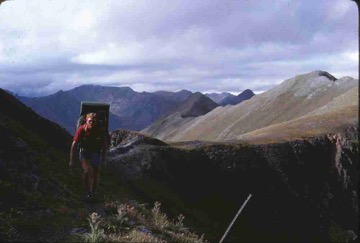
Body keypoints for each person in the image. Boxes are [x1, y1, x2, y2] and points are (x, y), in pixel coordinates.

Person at [69, 112, 108, 199]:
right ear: (86, 121)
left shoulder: (100, 130)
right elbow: (74, 144)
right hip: (84, 152)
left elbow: (105, 144)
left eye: (93, 121)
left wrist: (104, 157)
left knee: (95, 173)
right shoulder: (82, 129)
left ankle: (94, 191)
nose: (92, 123)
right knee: (87, 171)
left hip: (96, 153)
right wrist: (71, 159)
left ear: (96, 121)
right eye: (90, 121)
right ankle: (89, 192)